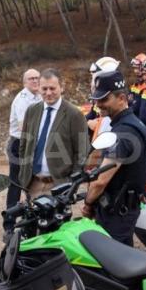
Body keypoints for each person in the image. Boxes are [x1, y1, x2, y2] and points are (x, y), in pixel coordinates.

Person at [82, 71, 146, 247]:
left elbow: (101, 181)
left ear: (121, 98)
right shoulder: (132, 124)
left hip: (116, 212)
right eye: (96, 99)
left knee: (109, 264)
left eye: (104, 99)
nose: (98, 104)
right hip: (122, 209)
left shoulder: (124, 132)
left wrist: (88, 204)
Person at [17, 69, 90, 198]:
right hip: (32, 184)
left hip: (59, 186)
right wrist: (24, 176)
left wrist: (72, 185)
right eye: (44, 89)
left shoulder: (74, 114)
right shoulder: (32, 111)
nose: (48, 93)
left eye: (52, 88)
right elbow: (24, 145)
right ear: (39, 88)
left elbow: (81, 152)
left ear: (61, 88)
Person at [7, 69, 41, 212]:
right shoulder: (22, 99)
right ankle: (10, 221)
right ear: (24, 82)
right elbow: (23, 127)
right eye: (31, 78)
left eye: (37, 78)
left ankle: (32, 214)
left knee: (33, 181)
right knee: (16, 182)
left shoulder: (39, 97)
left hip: (34, 142)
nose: (35, 81)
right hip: (19, 143)